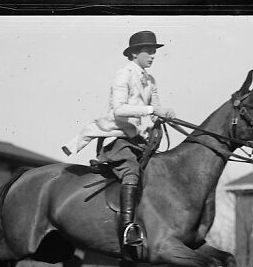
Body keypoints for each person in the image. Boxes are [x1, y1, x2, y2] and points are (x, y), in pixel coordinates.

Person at [62, 30, 176, 246]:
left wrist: (165, 113)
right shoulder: (123, 74)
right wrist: (152, 109)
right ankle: (127, 228)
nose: (152, 55)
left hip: (140, 141)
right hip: (118, 140)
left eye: (154, 52)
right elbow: (119, 109)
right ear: (134, 54)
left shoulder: (150, 79)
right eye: (148, 51)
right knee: (131, 172)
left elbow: (156, 108)